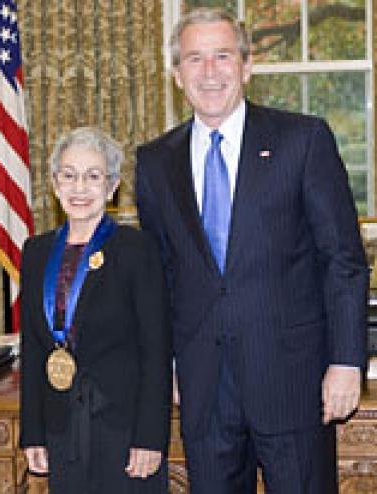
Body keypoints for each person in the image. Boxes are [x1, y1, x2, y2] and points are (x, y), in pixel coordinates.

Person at [136, 8, 368, 494]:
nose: (210, 71)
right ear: (177, 75)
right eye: (194, 59)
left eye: (222, 56)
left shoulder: (302, 140)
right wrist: (168, 366)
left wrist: (348, 361)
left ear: (247, 65)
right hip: (204, 389)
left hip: (295, 383)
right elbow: (160, 278)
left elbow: (342, 259)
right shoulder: (155, 163)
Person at [19, 127, 172, 493]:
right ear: (55, 183)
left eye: (93, 176)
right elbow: (34, 349)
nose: (80, 188)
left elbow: (156, 350)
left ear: (112, 185)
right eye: (69, 175)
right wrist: (33, 433)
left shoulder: (137, 250)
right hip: (62, 430)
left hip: (125, 432)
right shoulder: (36, 252)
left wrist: (150, 437)